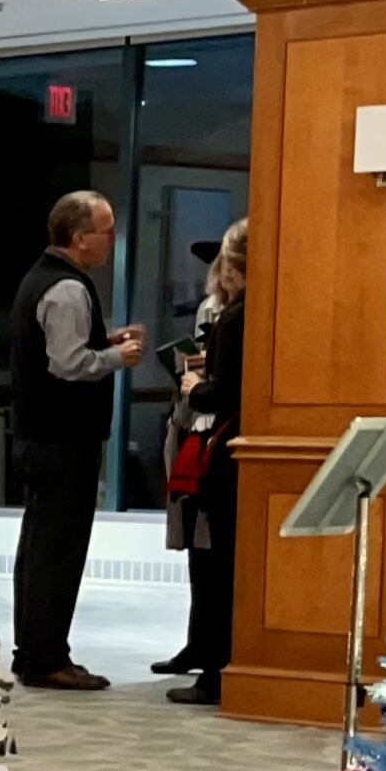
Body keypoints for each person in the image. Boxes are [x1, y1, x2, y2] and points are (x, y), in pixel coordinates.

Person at [7, 190, 144, 689]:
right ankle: (46, 658)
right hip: (61, 440)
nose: (111, 240)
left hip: (43, 436)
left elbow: (62, 349)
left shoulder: (46, 278)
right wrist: (116, 359)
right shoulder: (66, 288)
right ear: (80, 237)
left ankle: (37, 651)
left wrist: (103, 343)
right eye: (106, 231)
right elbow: (67, 365)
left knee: (42, 547)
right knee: (56, 552)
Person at [154, 219, 246, 681]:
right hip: (197, 434)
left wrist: (196, 383)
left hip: (218, 435)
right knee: (199, 546)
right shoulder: (217, 310)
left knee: (216, 553)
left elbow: (224, 388)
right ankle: (198, 643)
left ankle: (213, 655)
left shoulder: (238, 317)